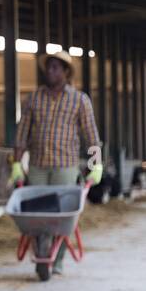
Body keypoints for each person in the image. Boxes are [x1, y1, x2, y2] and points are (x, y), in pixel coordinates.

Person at [12, 50, 103, 275]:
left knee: (62, 216)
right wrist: (16, 164)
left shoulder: (80, 100)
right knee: (36, 214)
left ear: (65, 72)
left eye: (55, 67)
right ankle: (41, 253)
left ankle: (58, 260)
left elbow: (91, 136)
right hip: (38, 166)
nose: (50, 71)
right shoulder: (33, 99)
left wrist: (96, 164)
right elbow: (22, 134)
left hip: (65, 166)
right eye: (49, 67)